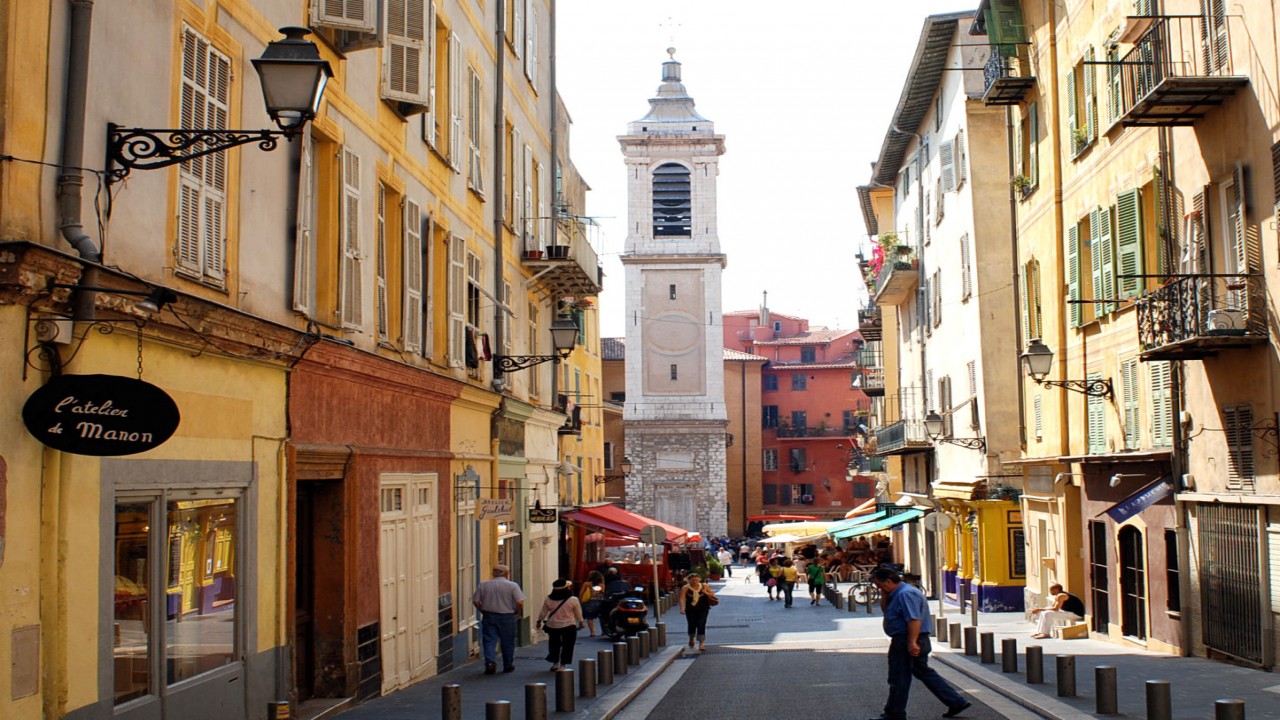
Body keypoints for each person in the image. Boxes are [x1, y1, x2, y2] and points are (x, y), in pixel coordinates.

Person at [868, 568, 971, 720]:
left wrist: (912, 642)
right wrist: (885, 595)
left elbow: (914, 619)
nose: (877, 588)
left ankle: (894, 713)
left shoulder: (905, 594)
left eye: (879, 584)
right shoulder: (896, 593)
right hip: (908, 638)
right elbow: (887, 611)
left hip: (907, 639)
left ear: (888, 581)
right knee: (922, 671)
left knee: (899, 676)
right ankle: (956, 701)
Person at [472, 565, 525, 675]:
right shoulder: (512, 586)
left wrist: (482, 610)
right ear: (506, 574)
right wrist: (517, 611)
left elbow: (476, 601)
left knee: (489, 640)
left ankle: (490, 663)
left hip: (489, 615)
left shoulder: (483, 585)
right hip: (507, 616)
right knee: (507, 642)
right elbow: (520, 602)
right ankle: (508, 664)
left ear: (493, 574)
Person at [537, 579, 586, 671]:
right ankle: (563, 664)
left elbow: (543, 611)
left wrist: (539, 621)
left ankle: (555, 663)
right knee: (568, 645)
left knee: (554, 644)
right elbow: (578, 613)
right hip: (569, 625)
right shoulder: (573, 599)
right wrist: (581, 621)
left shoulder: (548, 599)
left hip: (553, 625)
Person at [678, 572, 717, 651]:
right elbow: (682, 598)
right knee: (691, 624)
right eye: (693, 580)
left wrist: (705, 592)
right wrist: (682, 608)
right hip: (690, 609)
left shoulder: (704, 586)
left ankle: (701, 643)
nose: (695, 582)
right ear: (689, 580)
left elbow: (712, 594)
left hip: (703, 608)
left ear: (699, 579)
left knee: (701, 624)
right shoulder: (686, 588)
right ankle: (691, 638)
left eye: (696, 580)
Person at [579, 571, 605, 637]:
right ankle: (603, 631)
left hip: (590, 602)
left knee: (590, 617)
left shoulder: (587, 584)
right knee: (601, 617)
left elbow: (581, 593)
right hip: (600, 602)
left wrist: (580, 600)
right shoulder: (602, 585)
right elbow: (603, 593)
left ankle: (593, 632)